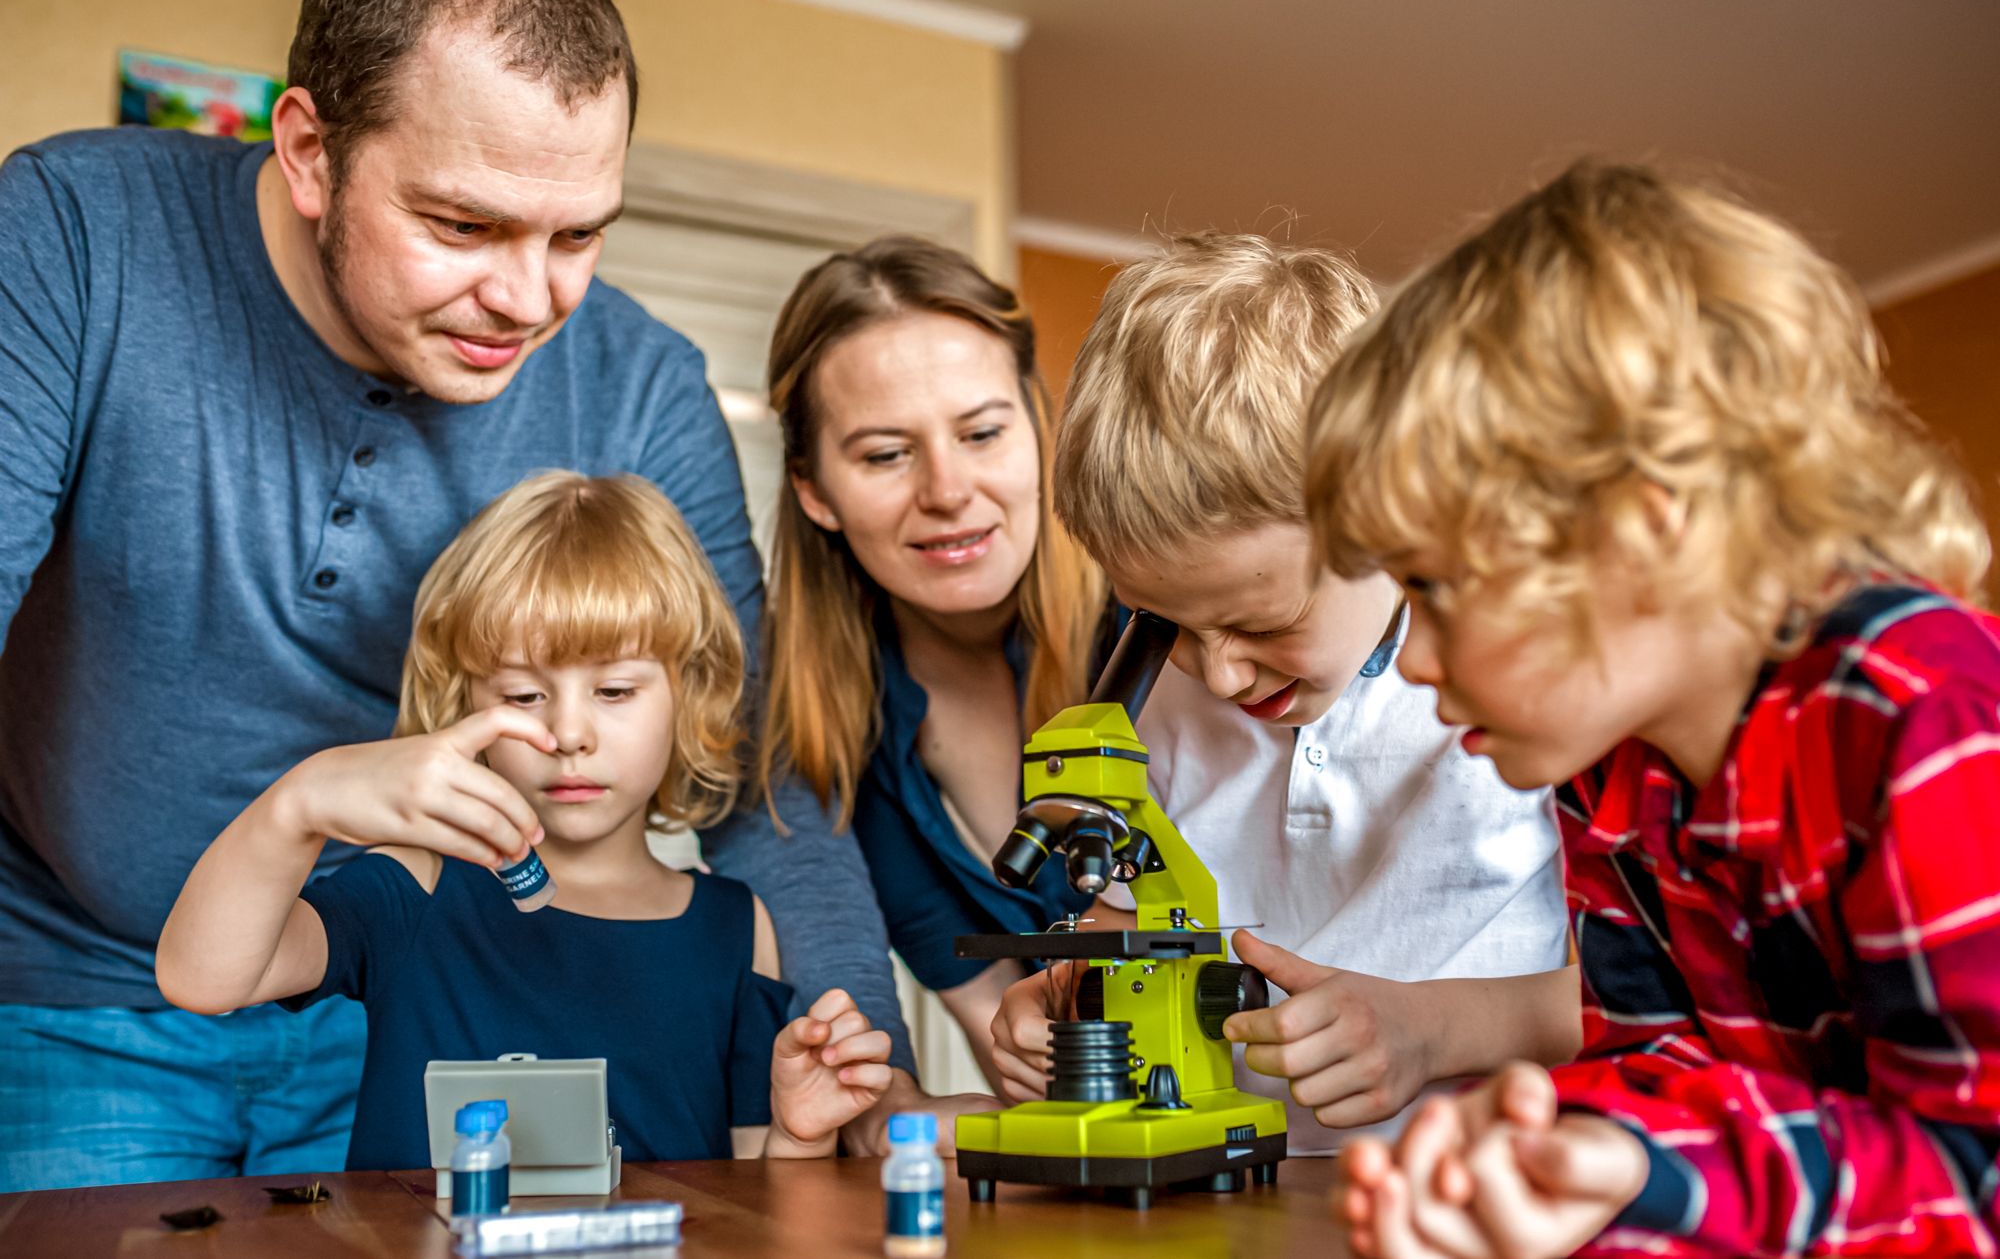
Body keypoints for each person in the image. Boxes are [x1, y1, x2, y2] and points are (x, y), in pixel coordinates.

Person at [0, 0, 912, 1190]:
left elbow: (760, 776)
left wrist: (878, 1073)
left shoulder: (638, 385)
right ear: (311, 150)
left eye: (579, 235)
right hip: (66, 993)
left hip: (409, 1025)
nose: (529, 299)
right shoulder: (72, 235)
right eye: (463, 224)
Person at [1312, 162, 2000, 1259]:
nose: (1412, 662)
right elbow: (1677, 1078)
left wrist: (1645, 1166)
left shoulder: (1921, 715)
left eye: (1434, 589)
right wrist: (1562, 1160)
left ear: (1642, 526)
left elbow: (1974, 1178)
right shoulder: (1608, 775)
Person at [988, 233, 1576, 1153]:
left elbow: (1640, 996)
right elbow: (1120, 924)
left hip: (1478, 1190)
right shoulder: (1151, 699)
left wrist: (1436, 1030)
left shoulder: (1538, 675)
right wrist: (1064, 1000)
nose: (1219, 673)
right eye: (1165, 624)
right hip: (1241, 1180)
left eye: (1262, 621)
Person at [156, 473, 893, 1166]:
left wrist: (798, 1137)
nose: (570, 733)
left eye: (613, 689)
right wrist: (299, 803)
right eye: (522, 695)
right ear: (464, 703)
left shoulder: (741, 928)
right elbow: (203, 979)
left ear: (688, 694)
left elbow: (760, 1206)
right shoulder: (415, 887)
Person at [756, 236, 1109, 1091]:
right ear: (813, 489)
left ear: (1035, 426)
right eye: (886, 453)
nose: (947, 490)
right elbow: (1014, 1046)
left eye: (982, 431)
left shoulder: (1167, 630)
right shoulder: (846, 736)